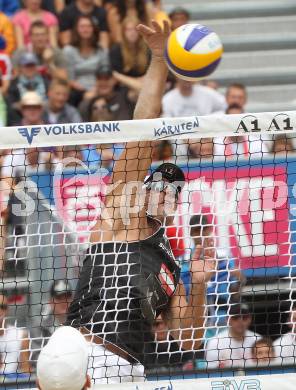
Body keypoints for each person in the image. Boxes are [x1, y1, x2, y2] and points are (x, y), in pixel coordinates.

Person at [66, 20, 215, 384]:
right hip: (85, 355)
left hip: (131, 371)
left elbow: (191, 339)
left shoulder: (171, 267)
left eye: (172, 191)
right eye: (157, 185)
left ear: (175, 205)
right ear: (141, 189)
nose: (163, 192)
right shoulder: (121, 214)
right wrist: (160, 60)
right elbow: (144, 122)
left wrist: (200, 284)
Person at [63, 15, 109, 105]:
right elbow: (70, 78)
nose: (85, 29)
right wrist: (84, 91)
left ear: (93, 29)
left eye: (89, 26)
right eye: (82, 26)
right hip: (77, 90)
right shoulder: (68, 50)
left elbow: (105, 73)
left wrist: (95, 90)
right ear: (76, 29)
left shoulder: (100, 50)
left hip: (99, 87)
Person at [30, 280, 73, 366]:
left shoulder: (81, 321)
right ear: (51, 302)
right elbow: (35, 357)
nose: (64, 301)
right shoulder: (40, 325)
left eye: (67, 297)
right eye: (59, 298)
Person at [205, 303, 261, 369]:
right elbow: (212, 371)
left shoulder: (258, 340)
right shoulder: (215, 343)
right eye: (235, 317)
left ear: (250, 319)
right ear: (227, 319)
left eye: (244, 317)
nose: (240, 321)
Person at [0, 294, 31, 374]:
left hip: (12, 384)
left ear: (8, 310)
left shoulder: (21, 335)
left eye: (2, 307)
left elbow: (26, 371)